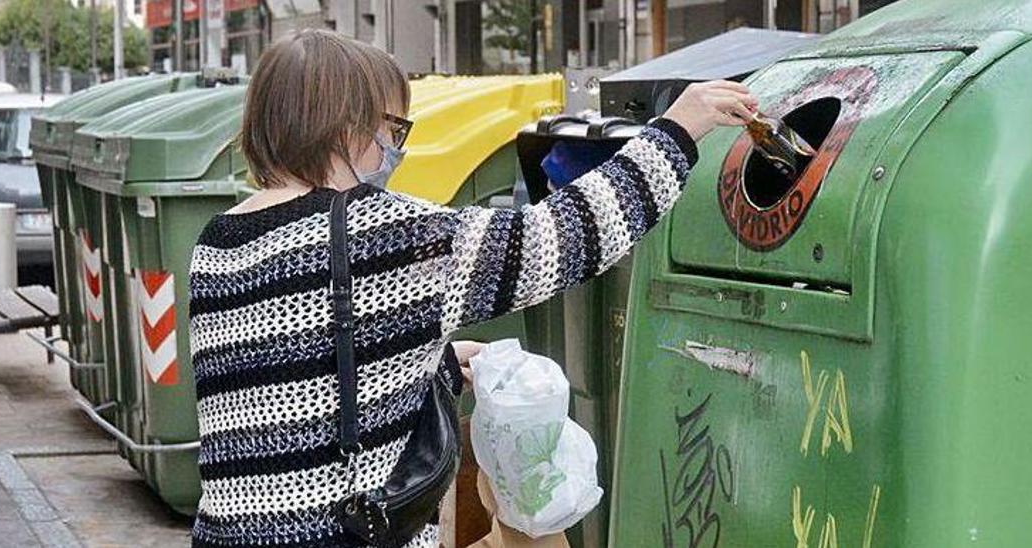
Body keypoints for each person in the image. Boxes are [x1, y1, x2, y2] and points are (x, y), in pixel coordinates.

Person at [186, 29, 757, 548]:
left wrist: (431, 366)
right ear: (344, 125)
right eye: (392, 129)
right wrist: (677, 131)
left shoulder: (216, 243)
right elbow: (564, 236)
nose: (396, 149)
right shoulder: (387, 233)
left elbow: (288, 383)